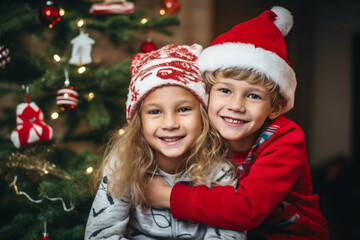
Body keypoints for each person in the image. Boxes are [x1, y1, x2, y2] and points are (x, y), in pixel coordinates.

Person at [145, 6, 330, 240]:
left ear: (275, 107)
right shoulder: (203, 129)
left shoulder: (286, 139)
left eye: (253, 95)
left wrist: (165, 196)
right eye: (224, 90)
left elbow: (246, 208)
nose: (236, 106)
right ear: (207, 93)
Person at [84, 44, 246, 239]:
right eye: (155, 112)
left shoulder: (219, 171)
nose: (170, 123)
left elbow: (230, 234)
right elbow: (100, 235)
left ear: (203, 114)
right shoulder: (123, 167)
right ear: (139, 121)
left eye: (183, 109)